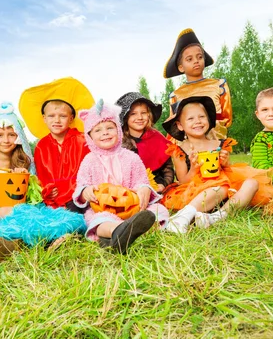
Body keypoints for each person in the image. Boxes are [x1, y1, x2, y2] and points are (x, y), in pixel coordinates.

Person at [0, 102, 85, 263]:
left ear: (18, 136)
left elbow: (35, 199)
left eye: (11, 134)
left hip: (20, 213)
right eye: (0, 135)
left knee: (6, 211)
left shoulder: (25, 162)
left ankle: (26, 241)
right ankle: (5, 243)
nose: (6, 140)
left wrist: (28, 181)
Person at [161, 97, 273, 233]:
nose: (197, 121)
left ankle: (216, 217)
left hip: (227, 189)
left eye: (201, 116)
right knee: (220, 188)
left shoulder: (219, 145)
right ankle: (181, 218)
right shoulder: (179, 150)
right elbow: (182, 181)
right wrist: (194, 168)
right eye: (190, 119)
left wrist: (225, 163)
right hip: (198, 194)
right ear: (180, 125)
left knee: (252, 183)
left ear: (208, 120)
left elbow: (230, 173)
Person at [72, 100, 170, 254]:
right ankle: (119, 231)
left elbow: (141, 180)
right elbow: (81, 184)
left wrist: (144, 188)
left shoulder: (130, 157)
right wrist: (86, 191)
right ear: (89, 136)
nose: (105, 132)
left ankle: (119, 236)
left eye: (110, 128)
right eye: (98, 130)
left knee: (158, 211)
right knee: (98, 222)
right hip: (102, 209)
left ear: (118, 130)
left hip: (132, 207)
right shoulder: (89, 161)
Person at [18, 77, 94, 213]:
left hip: (79, 195)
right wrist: (47, 190)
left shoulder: (82, 140)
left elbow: (89, 171)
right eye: (51, 116)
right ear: (44, 119)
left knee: (82, 209)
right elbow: (42, 177)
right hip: (53, 199)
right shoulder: (42, 146)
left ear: (71, 118)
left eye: (63, 116)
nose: (57, 120)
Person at [163, 28, 232, 141]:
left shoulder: (219, 86)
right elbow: (174, 127)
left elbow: (226, 118)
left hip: (216, 143)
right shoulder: (176, 95)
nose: (196, 61)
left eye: (199, 57)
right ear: (181, 67)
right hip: (189, 148)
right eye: (189, 59)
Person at [115, 92, 174, 193]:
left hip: (155, 184)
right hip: (129, 186)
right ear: (125, 118)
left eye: (143, 113)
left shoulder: (157, 138)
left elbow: (168, 168)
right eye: (133, 114)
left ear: (149, 114)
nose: (140, 117)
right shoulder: (119, 141)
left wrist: (163, 184)